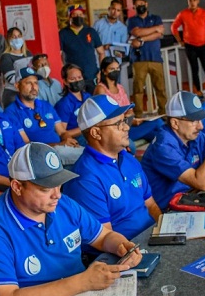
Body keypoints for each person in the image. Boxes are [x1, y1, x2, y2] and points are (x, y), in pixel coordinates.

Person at [0, 142, 142, 296]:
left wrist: (122, 246)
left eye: (58, 185)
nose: (57, 194)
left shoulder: (62, 204)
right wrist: (83, 282)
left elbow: (103, 236)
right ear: (17, 187)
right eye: (45, 188)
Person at [64, 95, 161, 242]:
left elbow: (151, 205)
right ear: (96, 133)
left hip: (152, 236)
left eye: (124, 121)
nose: (126, 127)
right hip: (127, 250)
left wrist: (165, 231)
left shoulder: (127, 158)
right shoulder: (86, 179)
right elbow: (107, 240)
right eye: (118, 124)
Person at [142, 91, 205, 209]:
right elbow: (202, 183)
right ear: (175, 123)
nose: (200, 126)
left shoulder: (195, 136)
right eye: (194, 120)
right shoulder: (163, 147)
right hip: (167, 209)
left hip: (190, 197)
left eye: (200, 119)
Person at [5, 67, 83, 165]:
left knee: (91, 152)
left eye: (36, 83)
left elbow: (62, 131)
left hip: (61, 149)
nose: (34, 87)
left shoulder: (45, 105)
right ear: (17, 85)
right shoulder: (11, 112)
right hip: (40, 155)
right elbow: (27, 145)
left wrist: (68, 138)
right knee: (87, 157)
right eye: (29, 83)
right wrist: (59, 144)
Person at [94, 57, 163, 146]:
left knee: (157, 134)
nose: (116, 71)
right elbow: (106, 116)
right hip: (116, 129)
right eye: (112, 69)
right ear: (104, 71)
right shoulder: (101, 89)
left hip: (128, 124)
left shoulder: (120, 87)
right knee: (158, 123)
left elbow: (129, 108)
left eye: (117, 68)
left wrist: (130, 116)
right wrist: (125, 118)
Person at [127, 0, 167, 117]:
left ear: (146, 4)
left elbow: (159, 34)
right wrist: (155, 29)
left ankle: (164, 113)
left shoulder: (156, 18)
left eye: (142, 4)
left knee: (160, 88)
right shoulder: (132, 20)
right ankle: (138, 115)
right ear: (134, 7)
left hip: (155, 58)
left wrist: (142, 40)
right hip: (139, 60)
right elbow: (136, 32)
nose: (140, 7)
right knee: (138, 90)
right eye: (137, 5)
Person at [172, 0, 205, 93]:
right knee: (194, 69)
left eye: (194, 0)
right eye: (190, 1)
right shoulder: (182, 14)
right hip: (190, 46)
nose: (192, 3)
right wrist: (179, 40)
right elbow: (173, 27)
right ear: (187, 2)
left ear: (198, 1)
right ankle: (199, 91)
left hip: (203, 45)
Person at [59, 4, 105, 94]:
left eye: (80, 15)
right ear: (70, 17)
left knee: (94, 101)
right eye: (75, 15)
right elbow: (58, 55)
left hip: (92, 75)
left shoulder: (91, 31)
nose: (78, 17)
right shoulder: (63, 34)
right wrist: (65, 73)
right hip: (74, 78)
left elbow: (101, 52)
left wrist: (101, 71)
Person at [54, 63, 91, 146]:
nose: (77, 81)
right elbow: (62, 134)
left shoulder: (88, 96)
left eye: (79, 77)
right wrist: (85, 128)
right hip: (78, 138)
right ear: (65, 82)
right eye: (72, 79)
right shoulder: (64, 104)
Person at [0, 27, 33, 108]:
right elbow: (11, 78)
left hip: (28, 91)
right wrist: (28, 78)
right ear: (8, 39)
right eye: (13, 37)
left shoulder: (28, 54)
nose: (17, 39)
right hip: (13, 93)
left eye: (19, 36)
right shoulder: (6, 57)